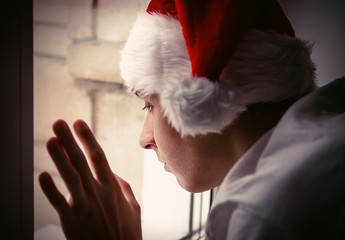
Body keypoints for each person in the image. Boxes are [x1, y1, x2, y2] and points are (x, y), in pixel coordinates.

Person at [39, 0, 345, 239]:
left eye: (149, 106)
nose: (145, 139)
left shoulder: (262, 215)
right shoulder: (329, 117)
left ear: (195, 100)